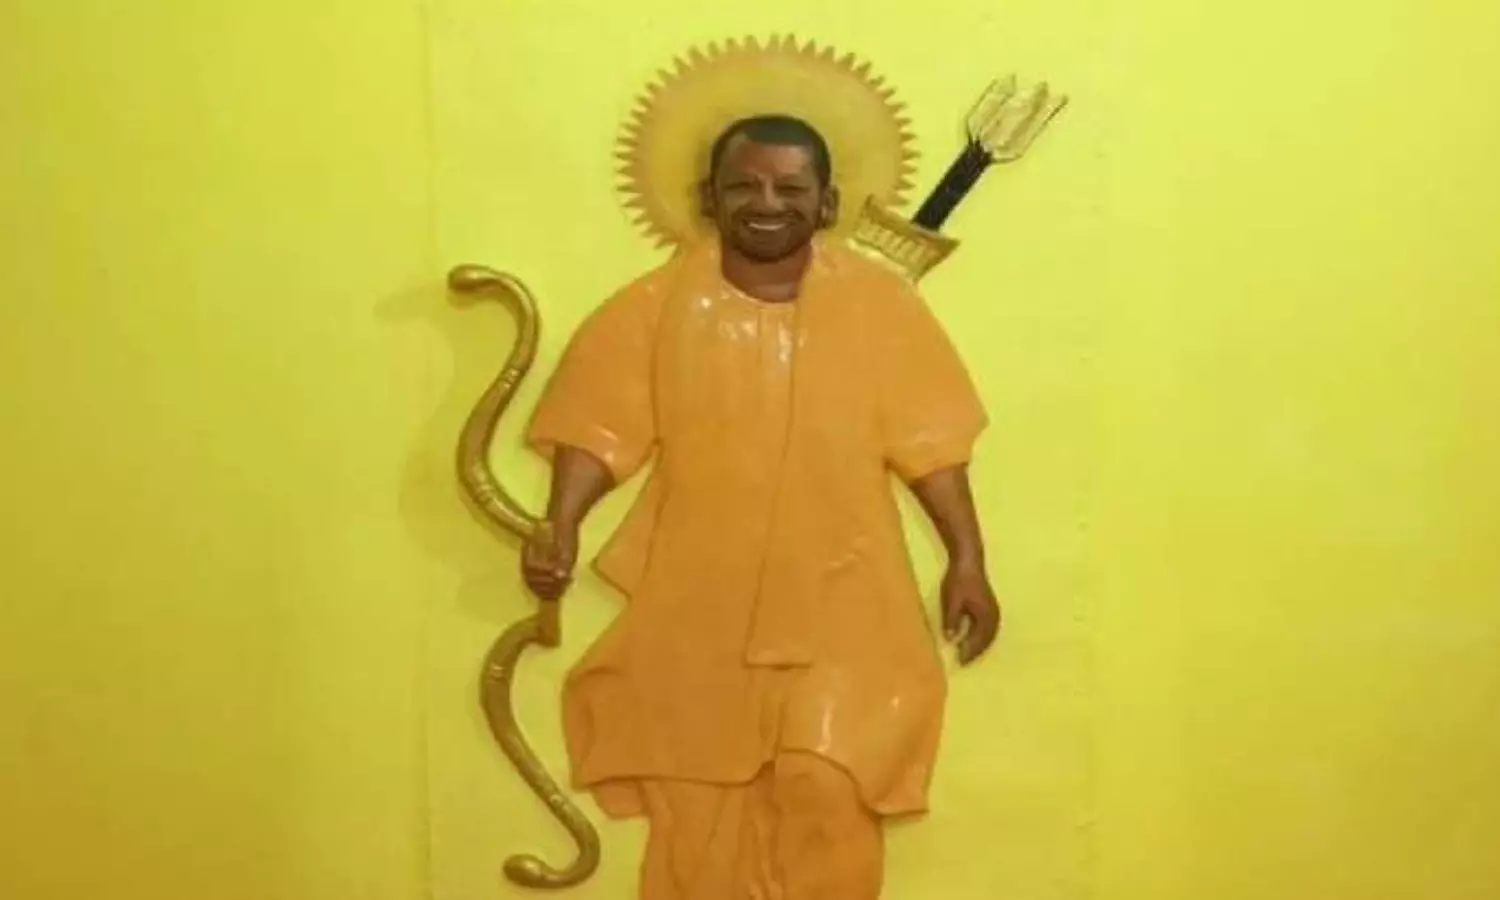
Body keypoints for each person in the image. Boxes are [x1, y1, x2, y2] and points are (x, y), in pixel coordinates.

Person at [521, 113, 1001, 900]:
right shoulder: (655, 307)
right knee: (700, 806)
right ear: (709, 198)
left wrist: (968, 560)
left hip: (846, 597)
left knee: (828, 782)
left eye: (790, 188)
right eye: (744, 186)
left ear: (826, 202)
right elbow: (596, 428)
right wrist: (561, 526)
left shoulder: (879, 308)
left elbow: (933, 444)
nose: (767, 203)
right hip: (703, 599)